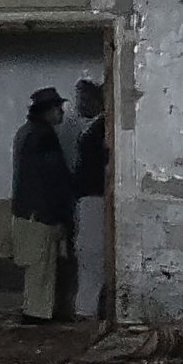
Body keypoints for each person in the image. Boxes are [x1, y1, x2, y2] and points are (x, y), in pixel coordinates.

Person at [11, 87, 75, 325]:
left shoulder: (25, 133)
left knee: (35, 270)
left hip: (26, 211)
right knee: (42, 270)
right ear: (47, 111)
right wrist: (57, 217)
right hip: (40, 213)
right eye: (58, 108)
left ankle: (33, 312)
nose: (61, 113)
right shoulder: (44, 137)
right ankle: (37, 316)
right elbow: (49, 180)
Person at [72, 80, 108, 321]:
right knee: (87, 253)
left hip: (95, 198)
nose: (79, 105)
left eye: (84, 100)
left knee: (91, 254)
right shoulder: (93, 128)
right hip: (89, 198)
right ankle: (86, 308)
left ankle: (88, 310)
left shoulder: (102, 128)